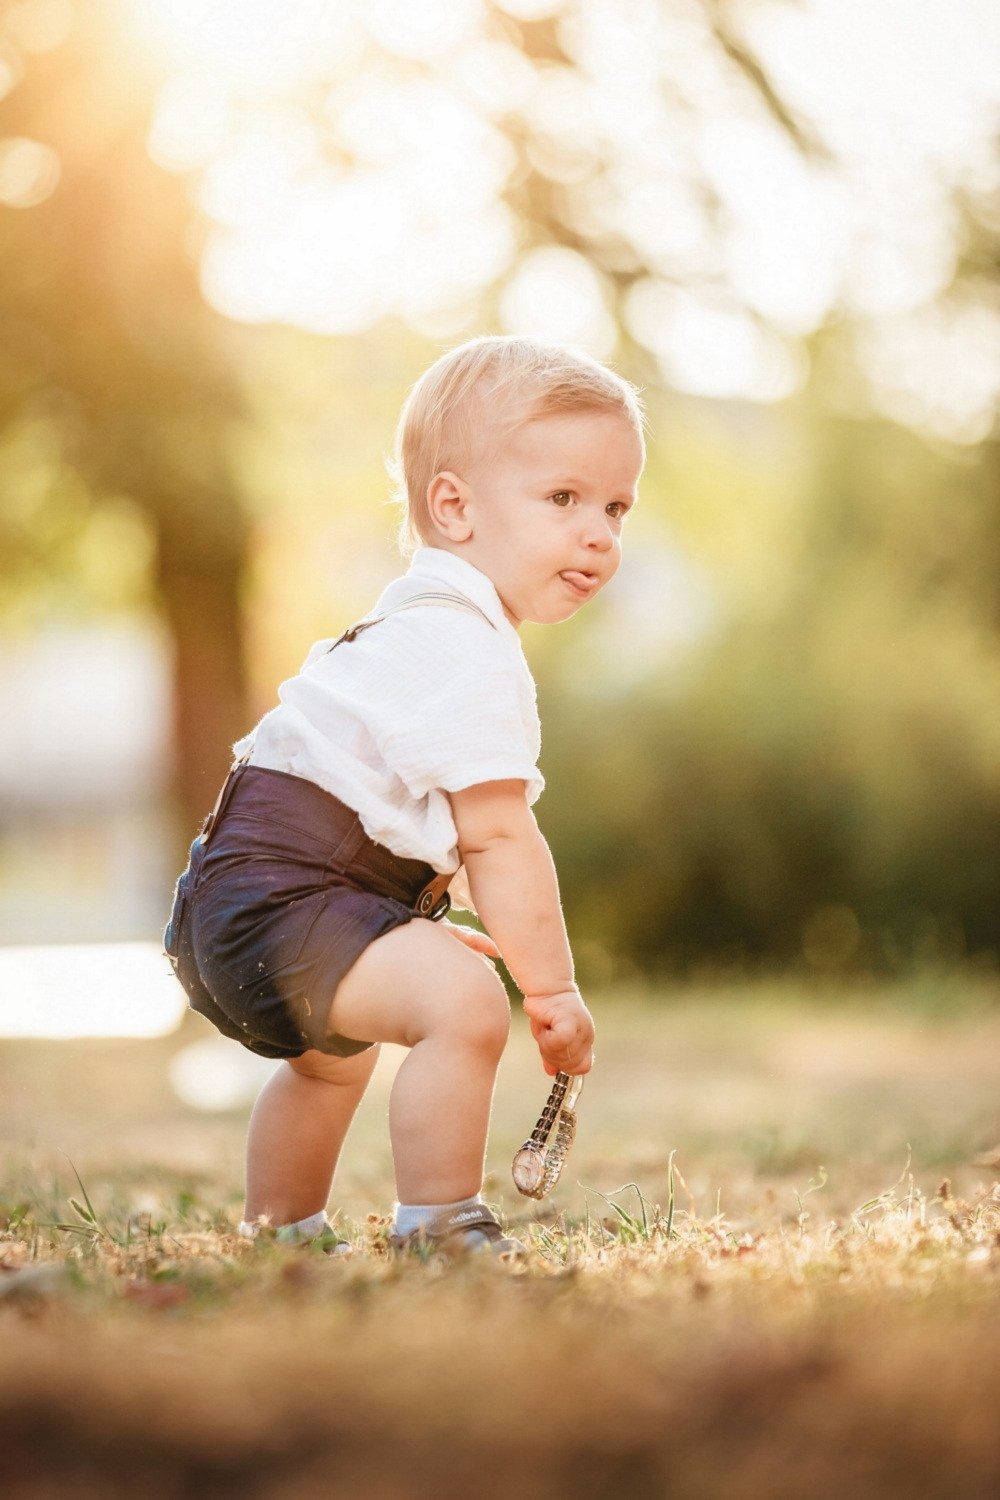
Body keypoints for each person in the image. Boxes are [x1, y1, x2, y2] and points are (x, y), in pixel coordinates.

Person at [165, 335, 645, 1257]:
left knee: (329, 1066)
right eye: (563, 499)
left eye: (616, 508)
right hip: (282, 899)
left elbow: (383, 816)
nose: (599, 533)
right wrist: (551, 989)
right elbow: (499, 837)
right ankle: (439, 1227)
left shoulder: (408, 623)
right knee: (467, 1004)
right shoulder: (466, 646)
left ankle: (282, 1233)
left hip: (231, 904)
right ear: (454, 506)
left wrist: (395, 921)